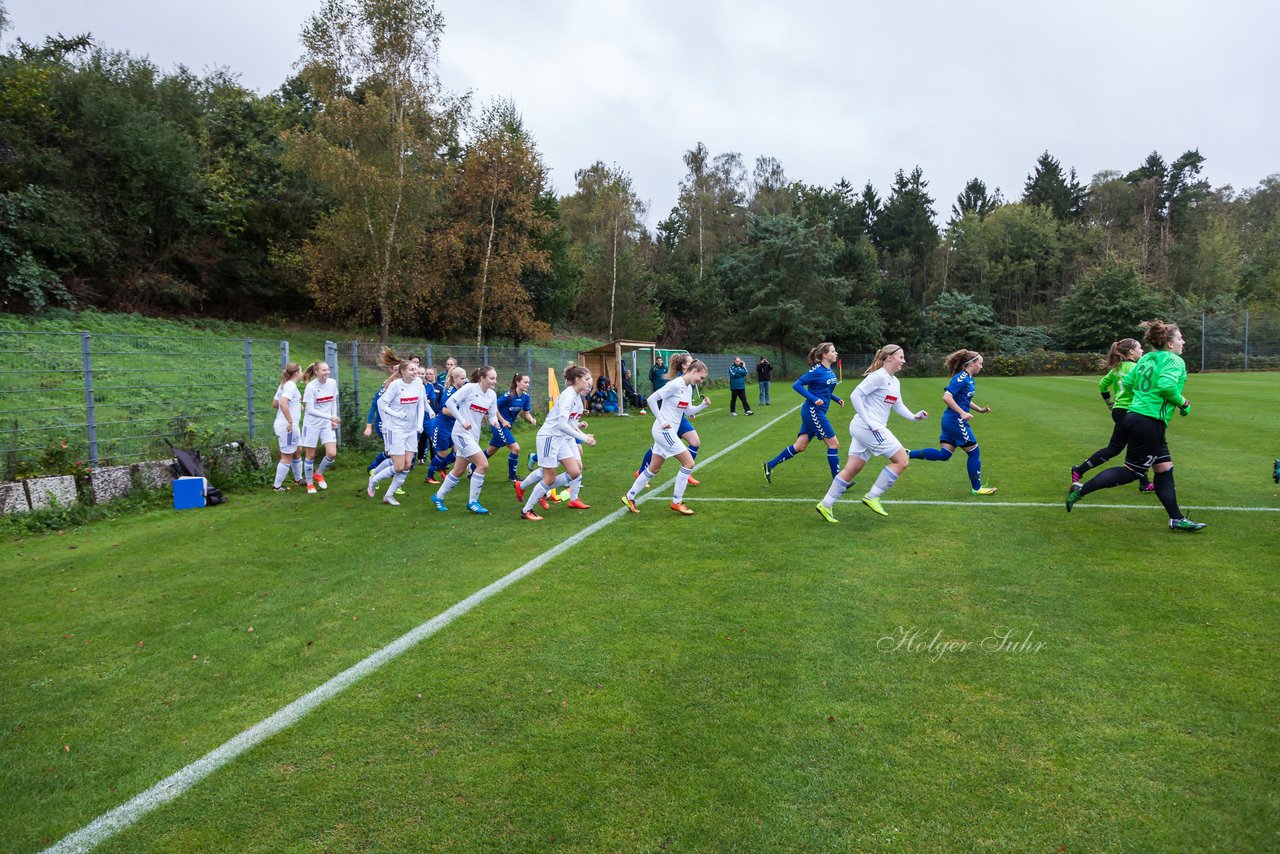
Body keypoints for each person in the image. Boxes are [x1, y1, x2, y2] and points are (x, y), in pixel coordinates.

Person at [1067, 320, 1206, 531]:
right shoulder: (1174, 361)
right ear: (1169, 343)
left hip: (1134, 416)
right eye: (1179, 338)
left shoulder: (1147, 358)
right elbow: (1167, 386)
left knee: (1164, 468)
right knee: (1132, 471)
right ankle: (1081, 490)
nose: (1183, 341)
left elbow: (1130, 384)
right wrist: (1183, 403)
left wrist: (1142, 402)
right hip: (1149, 422)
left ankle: (1176, 518)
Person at [816, 345, 928, 522]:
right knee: (902, 460)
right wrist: (869, 422)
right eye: (901, 357)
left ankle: (825, 504)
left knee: (853, 468)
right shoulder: (878, 377)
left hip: (865, 428)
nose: (904, 361)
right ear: (889, 358)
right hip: (868, 427)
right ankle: (873, 496)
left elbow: (897, 404)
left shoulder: (894, 381)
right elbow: (855, 396)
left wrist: (914, 417)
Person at [622, 359, 711, 516]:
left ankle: (629, 497)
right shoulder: (675, 384)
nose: (701, 381)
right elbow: (651, 399)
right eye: (701, 377)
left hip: (668, 432)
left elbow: (688, 411)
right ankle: (677, 502)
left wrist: (703, 405)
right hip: (664, 431)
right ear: (694, 371)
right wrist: (662, 421)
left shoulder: (688, 388)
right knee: (689, 463)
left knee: (654, 468)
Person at [907, 349, 998, 495]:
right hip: (956, 420)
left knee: (944, 455)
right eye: (980, 363)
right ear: (972, 363)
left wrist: (980, 409)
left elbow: (964, 399)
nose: (982, 366)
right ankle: (977, 488)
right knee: (974, 452)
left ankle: (908, 454)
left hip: (951, 420)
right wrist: (962, 412)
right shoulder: (961, 378)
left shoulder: (969, 378)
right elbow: (947, 397)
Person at [1069, 338, 1153, 493]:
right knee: (1128, 447)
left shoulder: (1116, 368)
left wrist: (1110, 404)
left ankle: (1144, 483)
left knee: (1119, 448)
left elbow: (1102, 385)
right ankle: (1079, 470)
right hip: (1132, 411)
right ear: (1131, 352)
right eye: (1140, 348)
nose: (1142, 350)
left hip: (1119, 411)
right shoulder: (1138, 367)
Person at [519, 366, 597, 520]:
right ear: (577, 380)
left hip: (559, 439)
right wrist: (584, 439)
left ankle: (540, 490)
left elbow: (571, 422)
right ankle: (526, 510)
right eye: (587, 379)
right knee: (549, 477)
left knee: (575, 472)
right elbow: (562, 425)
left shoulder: (575, 397)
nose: (590, 383)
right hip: (549, 437)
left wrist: (583, 434)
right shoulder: (568, 396)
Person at [763, 343, 843, 483]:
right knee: (834, 444)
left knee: (800, 446)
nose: (836, 353)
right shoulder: (816, 371)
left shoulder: (829, 371)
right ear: (824, 355)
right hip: (813, 411)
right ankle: (838, 480)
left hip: (818, 411)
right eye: (833, 351)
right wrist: (813, 398)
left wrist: (836, 399)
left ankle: (769, 465)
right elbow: (797, 385)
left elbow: (825, 391)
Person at [432, 366, 505, 514]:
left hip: (473, 436)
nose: (494, 381)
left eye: (495, 378)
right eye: (492, 378)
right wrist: (462, 420)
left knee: (458, 470)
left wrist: (495, 422)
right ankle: (473, 502)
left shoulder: (491, 395)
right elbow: (450, 403)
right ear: (482, 378)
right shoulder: (470, 388)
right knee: (483, 464)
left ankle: (438, 496)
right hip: (460, 434)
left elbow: (491, 415)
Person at [633, 353, 706, 488]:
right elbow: (654, 399)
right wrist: (662, 420)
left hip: (678, 419)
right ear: (685, 366)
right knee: (661, 452)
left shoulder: (688, 385)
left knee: (691, 444)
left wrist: (697, 408)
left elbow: (685, 407)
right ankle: (682, 481)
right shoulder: (678, 382)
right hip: (669, 423)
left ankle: (631, 494)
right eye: (691, 362)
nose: (694, 363)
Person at [367, 360, 426, 506]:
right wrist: (396, 415)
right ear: (403, 371)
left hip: (411, 430)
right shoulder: (395, 385)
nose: (415, 372)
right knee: (398, 466)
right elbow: (381, 403)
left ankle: (389, 495)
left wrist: (419, 424)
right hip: (396, 429)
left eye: (416, 369)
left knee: (407, 465)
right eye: (412, 369)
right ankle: (374, 479)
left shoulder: (418, 382)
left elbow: (421, 403)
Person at [482, 373, 537, 482]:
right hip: (498, 425)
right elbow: (494, 407)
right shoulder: (508, 395)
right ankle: (512, 477)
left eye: (528, 382)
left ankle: (472, 467)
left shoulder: (526, 397)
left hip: (507, 427)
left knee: (492, 450)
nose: (527, 385)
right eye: (525, 382)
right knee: (515, 448)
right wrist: (502, 421)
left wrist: (531, 419)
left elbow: (526, 413)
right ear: (517, 382)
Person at [300, 361, 340, 495]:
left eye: (328, 370)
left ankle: (319, 474)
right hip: (311, 424)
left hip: (327, 423)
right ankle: (310, 484)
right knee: (310, 455)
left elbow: (333, 401)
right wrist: (330, 417)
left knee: (332, 453)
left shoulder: (332, 383)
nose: (327, 372)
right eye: (324, 370)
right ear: (316, 372)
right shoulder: (311, 387)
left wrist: (333, 417)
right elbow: (309, 410)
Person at [424, 367, 467, 484]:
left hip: (454, 427)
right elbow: (445, 410)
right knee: (441, 453)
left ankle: (441, 467)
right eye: (462, 378)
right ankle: (429, 476)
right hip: (442, 426)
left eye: (465, 378)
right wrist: (461, 416)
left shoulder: (462, 391)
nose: (464, 380)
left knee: (458, 451)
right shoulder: (449, 391)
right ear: (454, 379)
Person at [271, 363, 303, 492]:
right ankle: (277, 487)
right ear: (296, 373)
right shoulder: (290, 385)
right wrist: (290, 421)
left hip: (289, 425)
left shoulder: (284, 385)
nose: (302, 373)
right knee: (287, 456)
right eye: (300, 370)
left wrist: (295, 405)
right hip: (288, 426)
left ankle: (298, 479)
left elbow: (275, 404)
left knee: (298, 450)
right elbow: (282, 402)